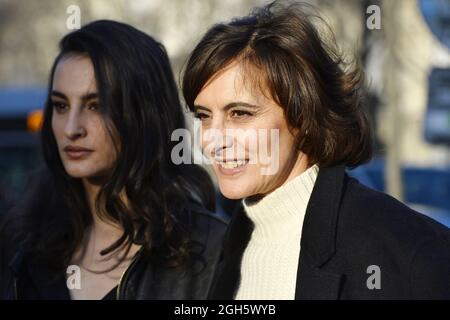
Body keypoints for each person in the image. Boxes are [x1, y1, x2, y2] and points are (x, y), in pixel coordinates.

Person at [182, 2, 450, 299]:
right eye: (204, 116)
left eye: (240, 114)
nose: (213, 140)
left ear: (304, 119)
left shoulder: (409, 251)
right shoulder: (215, 252)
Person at [0, 20, 226, 300]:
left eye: (95, 106)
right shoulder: (25, 242)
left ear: (143, 114)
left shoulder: (209, 249)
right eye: (60, 105)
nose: (72, 129)